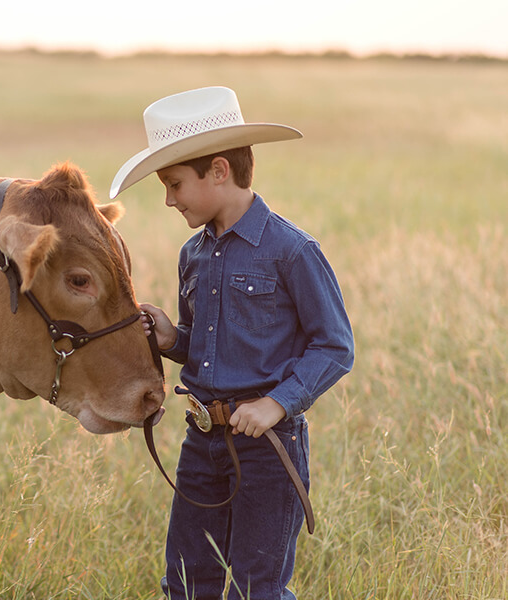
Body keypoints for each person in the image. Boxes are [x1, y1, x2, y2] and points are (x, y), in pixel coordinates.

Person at [110, 86, 354, 599]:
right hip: (201, 442)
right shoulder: (192, 256)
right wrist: (173, 338)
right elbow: (205, 343)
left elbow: (335, 346)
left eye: (175, 184)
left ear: (219, 171)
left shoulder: (292, 251)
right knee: (185, 581)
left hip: (268, 447)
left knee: (256, 589)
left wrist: (275, 404)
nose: (168, 200)